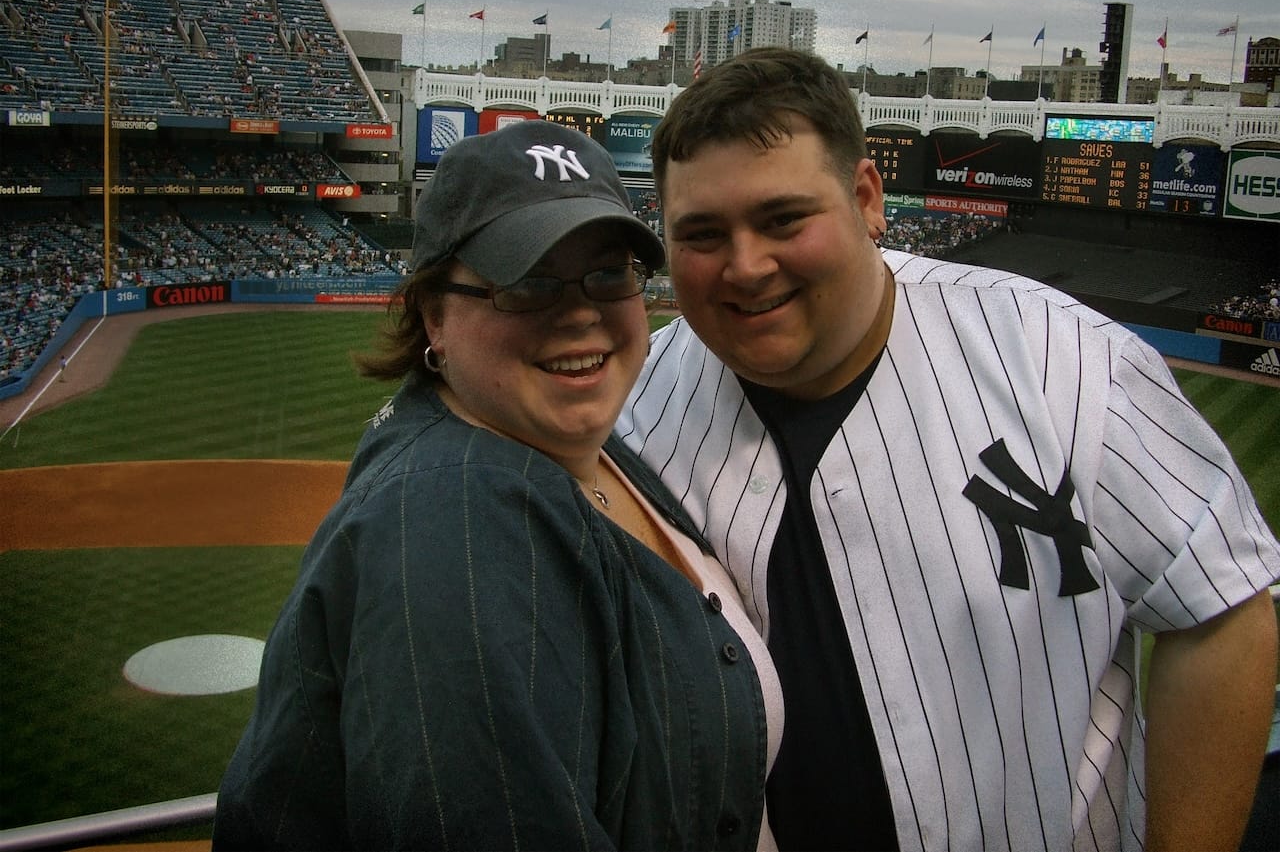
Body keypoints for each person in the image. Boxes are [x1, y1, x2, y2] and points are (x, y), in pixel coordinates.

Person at [616, 48, 1279, 852]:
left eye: (784, 218)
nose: (747, 264)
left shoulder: (1064, 360)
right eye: (703, 233)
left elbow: (1220, 613)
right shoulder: (632, 410)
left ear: (866, 199)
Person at [214, 120, 782, 850]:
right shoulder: (449, 519)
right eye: (525, 283)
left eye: (607, 273)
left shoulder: (580, 447)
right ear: (434, 314)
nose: (579, 311)